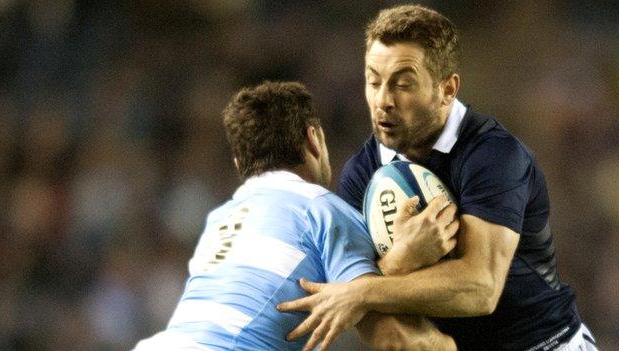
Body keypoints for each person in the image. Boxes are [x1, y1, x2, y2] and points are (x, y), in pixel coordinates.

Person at [277, 5, 597, 351]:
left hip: (546, 343)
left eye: (402, 84)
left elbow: (481, 288)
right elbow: (371, 322)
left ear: (447, 90)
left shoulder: (494, 155)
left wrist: (365, 289)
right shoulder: (360, 175)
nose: (383, 100)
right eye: (373, 81)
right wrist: (401, 260)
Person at [132, 81, 456, 351]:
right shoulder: (323, 210)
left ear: (238, 162)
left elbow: (336, 302)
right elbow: (390, 337)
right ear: (314, 138)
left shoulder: (219, 220)